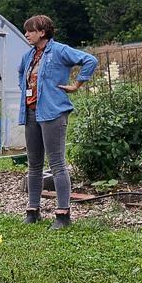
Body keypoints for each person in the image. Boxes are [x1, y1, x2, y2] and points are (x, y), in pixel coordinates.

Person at [19, 15, 97, 229]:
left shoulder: (60, 51)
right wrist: (27, 96)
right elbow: (21, 75)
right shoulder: (28, 57)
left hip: (53, 113)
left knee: (57, 164)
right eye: (26, 31)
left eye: (30, 30)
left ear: (42, 32)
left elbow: (90, 60)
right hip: (31, 113)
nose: (27, 34)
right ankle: (32, 211)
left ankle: (63, 215)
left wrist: (77, 85)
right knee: (34, 164)